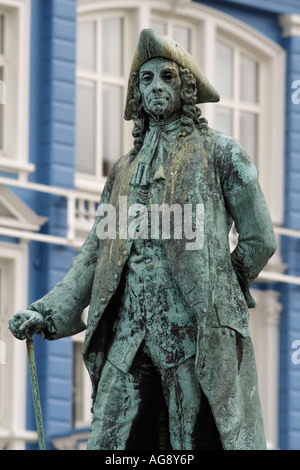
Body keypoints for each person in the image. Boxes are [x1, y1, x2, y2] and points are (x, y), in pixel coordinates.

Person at [9, 29, 276, 450]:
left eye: (167, 77)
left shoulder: (223, 154)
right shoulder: (122, 171)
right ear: (136, 93)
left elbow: (260, 239)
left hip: (194, 337)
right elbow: (95, 256)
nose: (155, 87)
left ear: (186, 88)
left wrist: (223, 285)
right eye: (146, 79)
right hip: (130, 338)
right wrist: (46, 312)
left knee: (191, 442)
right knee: (106, 441)